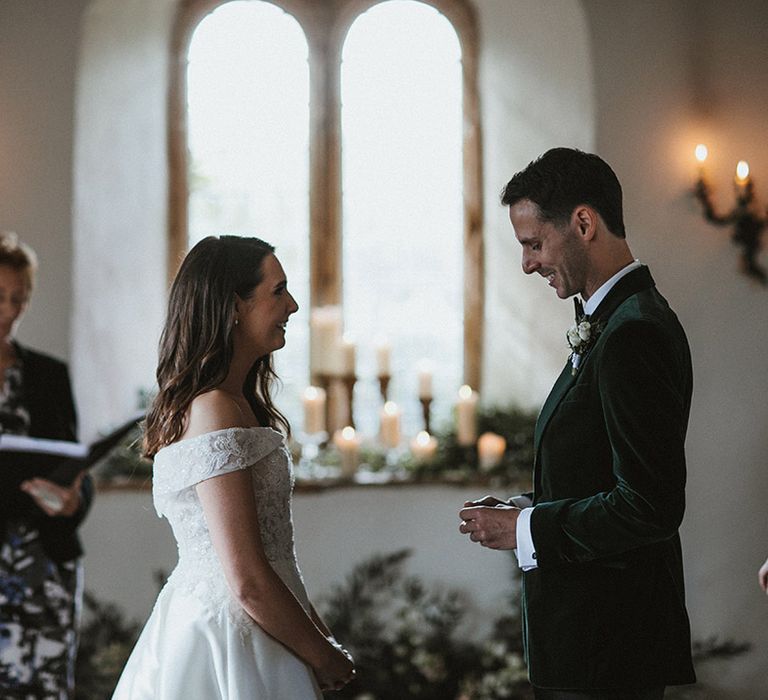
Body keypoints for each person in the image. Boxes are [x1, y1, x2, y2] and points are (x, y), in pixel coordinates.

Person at [458, 148, 696, 699]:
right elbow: (600, 471)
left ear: (583, 223)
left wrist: (526, 531)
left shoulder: (634, 332)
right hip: (590, 642)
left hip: (609, 644)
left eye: (534, 244)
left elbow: (649, 505)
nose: (528, 264)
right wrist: (527, 506)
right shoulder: (611, 321)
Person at [112, 235, 354, 698]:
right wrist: (324, 656)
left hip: (268, 625)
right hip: (227, 639)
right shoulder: (214, 409)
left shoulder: (235, 403)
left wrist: (317, 639)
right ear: (234, 306)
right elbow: (246, 578)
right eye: (278, 291)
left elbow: (278, 560)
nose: (294, 305)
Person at [0, 231, 92, 697]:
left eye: (19, 299)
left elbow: (74, 462)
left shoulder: (48, 375)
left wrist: (74, 498)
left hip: (44, 563)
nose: (9, 311)